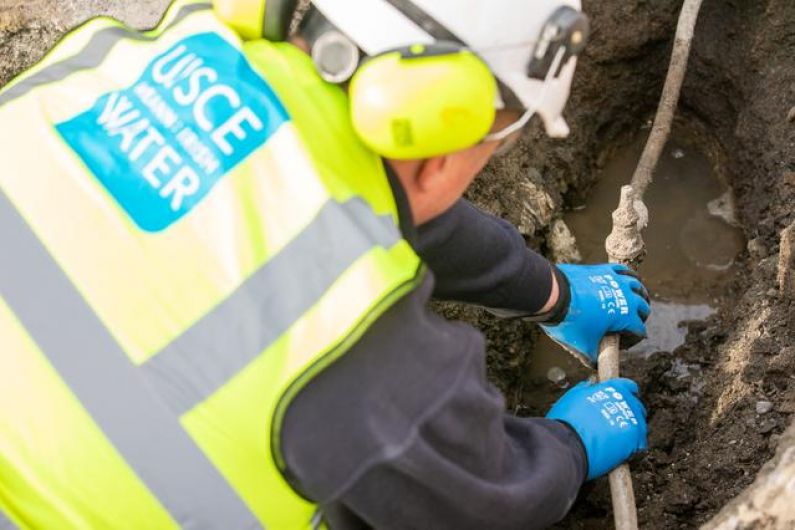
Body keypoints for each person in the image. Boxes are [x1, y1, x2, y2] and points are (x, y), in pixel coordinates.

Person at [0, 0, 651, 528]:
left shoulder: (117, 62)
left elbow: (351, 208)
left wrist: (547, 291)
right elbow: (481, 500)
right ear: (446, 150)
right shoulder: (346, 340)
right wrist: (566, 446)